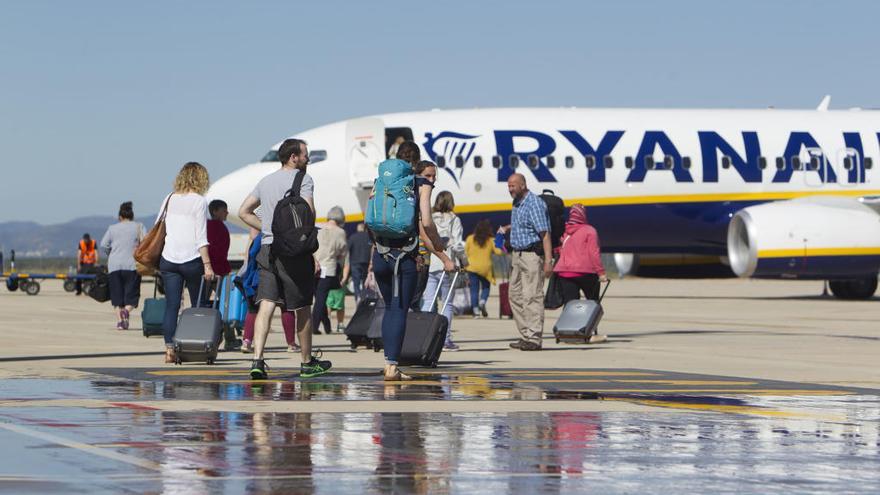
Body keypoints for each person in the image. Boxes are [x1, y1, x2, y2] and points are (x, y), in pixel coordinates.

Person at [238, 138, 331, 380]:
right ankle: (307, 362)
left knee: (266, 304)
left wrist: (267, 227)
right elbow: (309, 214)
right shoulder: (304, 179)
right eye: (305, 155)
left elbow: (243, 211)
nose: (307, 159)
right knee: (302, 307)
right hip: (294, 253)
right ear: (294, 157)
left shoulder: (265, 181)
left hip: (268, 249)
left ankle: (257, 360)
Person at [370, 143, 455, 381]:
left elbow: (371, 219)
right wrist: (439, 245)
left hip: (380, 254)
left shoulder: (380, 182)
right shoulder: (420, 185)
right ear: (417, 162)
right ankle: (392, 366)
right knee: (400, 309)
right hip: (404, 256)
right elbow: (426, 223)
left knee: (389, 308)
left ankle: (388, 359)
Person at [157, 162, 214, 363]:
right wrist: (207, 264)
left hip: (168, 259)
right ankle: (195, 345)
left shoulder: (169, 198)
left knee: (171, 306)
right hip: (191, 259)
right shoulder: (199, 201)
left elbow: (159, 226)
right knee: (199, 305)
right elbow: (201, 237)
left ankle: (169, 349)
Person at [499, 173, 553, 351]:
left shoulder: (534, 204)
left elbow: (544, 234)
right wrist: (508, 228)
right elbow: (524, 225)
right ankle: (526, 334)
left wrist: (547, 261)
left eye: (513, 185)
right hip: (517, 256)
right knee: (514, 296)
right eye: (509, 186)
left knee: (532, 297)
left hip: (531, 256)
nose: (510, 189)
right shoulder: (517, 203)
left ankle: (534, 338)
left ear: (523, 185)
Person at [553, 204, 609, 343]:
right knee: (592, 304)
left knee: (570, 305)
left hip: (565, 272)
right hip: (586, 272)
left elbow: (559, 250)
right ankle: (590, 333)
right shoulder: (590, 231)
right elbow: (594, 253)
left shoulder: (565, 231)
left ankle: (567, 334)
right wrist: (601, 273)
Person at [238, 228, 298, 354]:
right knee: (286, 308)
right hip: (281, 275)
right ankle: (291, 343)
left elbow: (252, 255)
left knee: (254, 309)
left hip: (258, 277)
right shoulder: (285, 235)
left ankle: (247, 341)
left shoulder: (261, 237)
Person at [420, 191, 465, 351]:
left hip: (433, 264)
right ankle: (445, 339)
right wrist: (464, 261)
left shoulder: (430, 218)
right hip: (449, 264)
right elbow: (458, 244)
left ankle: (423, 335)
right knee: (447, 303)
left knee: (429, 301)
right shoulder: (454, 220)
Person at [99, 202, 145, 330]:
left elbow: (103, 244)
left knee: (117, 296)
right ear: (132, 216)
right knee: (132, 296)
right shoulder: (139, 227)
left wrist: (111, 253)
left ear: (120, 217)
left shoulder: (112, 228)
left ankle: (121, 323)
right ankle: (126, 311)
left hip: (114, 265)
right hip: (132, 265)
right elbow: (145, 242)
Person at [312, 206, 350, 334]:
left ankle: (327, 326)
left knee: (318, 296)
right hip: (328, 267)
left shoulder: (318, 229)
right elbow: (342, 253)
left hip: (315, 266)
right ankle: (314, 326)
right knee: (321, 299)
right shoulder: (340, 232)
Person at [410, 160, 438, 311]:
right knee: (413, 303)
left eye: (434, 176)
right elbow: (424, 227)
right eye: (427, 176)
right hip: (420, 258)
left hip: (414, 256)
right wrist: (444, 257)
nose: (432, 180)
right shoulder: (421, 197)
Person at [464, 219, 503, 318]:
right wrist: (499, 239)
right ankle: (482, 301)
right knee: (486, 287)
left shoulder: (470, 238)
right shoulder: (490, 240)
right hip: (486, 268)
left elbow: (465, 253)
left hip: (472, 267)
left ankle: (476, 311)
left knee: (474, 290)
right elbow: (499, 252)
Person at [347, 223, 372, 303]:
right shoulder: (369, 237)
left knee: (356, 282)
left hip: (355, 262)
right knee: (365, 281)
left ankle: (357, 297)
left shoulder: (353, 237)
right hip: (366, 262)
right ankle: (364, 297)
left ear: (358, 229)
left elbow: (347, 248)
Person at [207, 199, 232, 277]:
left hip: (213, 266)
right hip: (218, 267)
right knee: (222, 289)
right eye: (224, 210)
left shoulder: (207, 225)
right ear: (215, 212)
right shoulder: (218, 227)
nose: (227, 213)